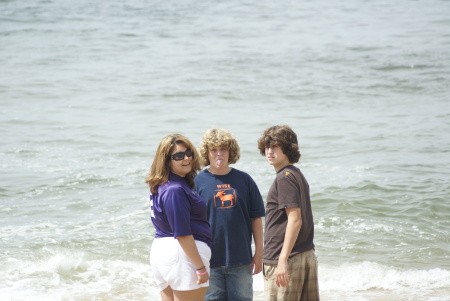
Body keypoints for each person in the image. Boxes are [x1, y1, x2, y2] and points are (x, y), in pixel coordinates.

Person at [194, 128, 265, 301]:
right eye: (214, 150)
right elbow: (191, 223)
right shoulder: (197, 182)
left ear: (230, 151)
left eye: (223, 149)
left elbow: (256, 218)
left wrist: (259, 253)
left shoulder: (244, 180)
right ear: (207, 153)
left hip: (241, 260)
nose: (219, 154)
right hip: (209, 261)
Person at [146, 134, 213, 301]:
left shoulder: (163, 185)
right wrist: (200, 268)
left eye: (188, 152)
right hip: (181, 256)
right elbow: (182, 233)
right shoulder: (175, 190)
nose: (186, 158)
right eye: (178, 156)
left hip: (164, 251)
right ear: (166, 160)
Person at [257, 125, 319, 301]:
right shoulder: (297, 175)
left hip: (286, 258)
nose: (269, 151)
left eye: (275, 147)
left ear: (287, 148)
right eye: (267, 147)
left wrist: (282, 260)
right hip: (304, 255)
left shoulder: (284, 178)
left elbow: (295, 220)